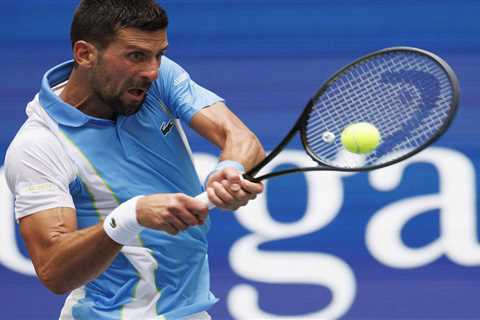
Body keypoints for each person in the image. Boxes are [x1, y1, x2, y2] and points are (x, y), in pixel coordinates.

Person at [4, 1, 265, 319]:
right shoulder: (39, 145)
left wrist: (230, 169)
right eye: (135, 56)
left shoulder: (157, 80)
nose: (152, 70)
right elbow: (55, 272)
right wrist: (129, 217)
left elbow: (239, 138)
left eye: (159, 54)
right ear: (85, 54)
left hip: (186, 311)